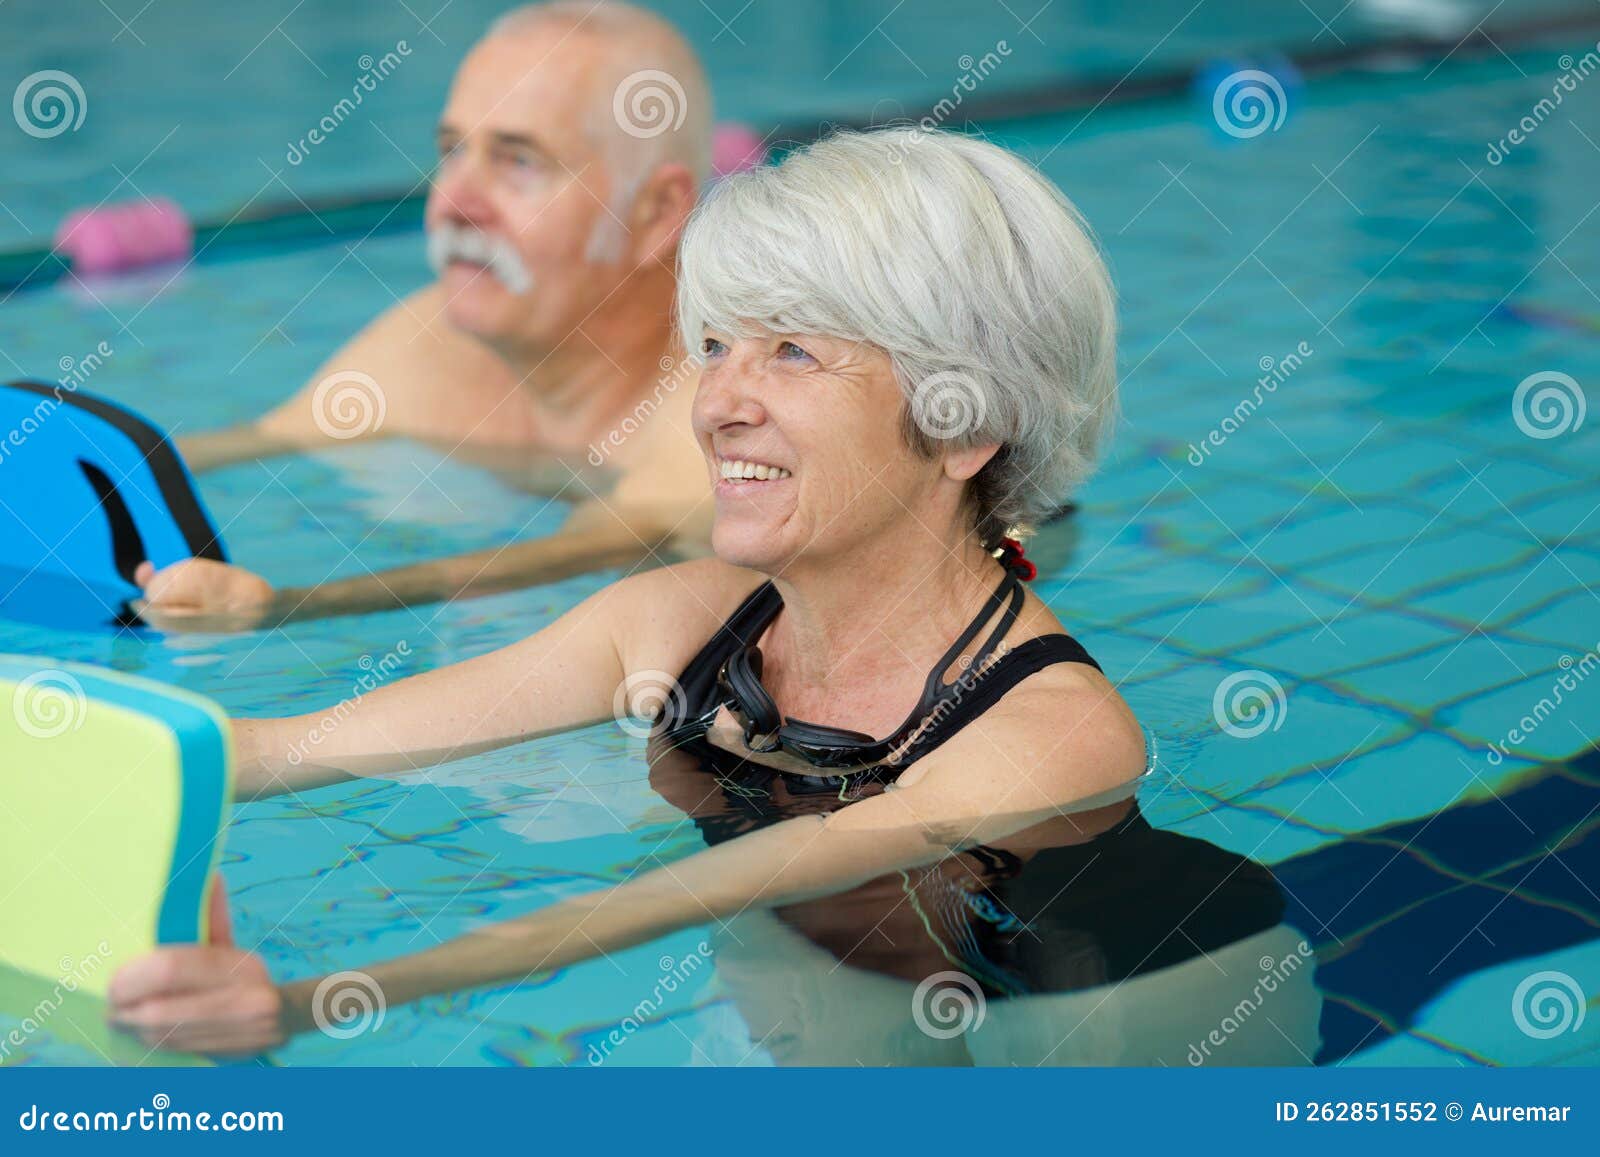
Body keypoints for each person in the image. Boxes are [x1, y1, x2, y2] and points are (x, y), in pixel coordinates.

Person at [107, 127, 1240, 1064]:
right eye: (711, 344)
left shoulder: (1049, 735)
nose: (713, 404)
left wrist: (309, 1000)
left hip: (1108, 1023)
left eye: (791, 351)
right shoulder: (682, 620)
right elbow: (287, 745)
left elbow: (640, 910)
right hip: (825, 998)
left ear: (964, 424)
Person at [134, 2, 714, 631]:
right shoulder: (438, 343)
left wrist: (279, 609)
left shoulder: (722, 409)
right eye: (452, 152)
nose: (451, 205)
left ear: (655, 213)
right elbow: (255, 445)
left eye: (519, 161)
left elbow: (561, 566)